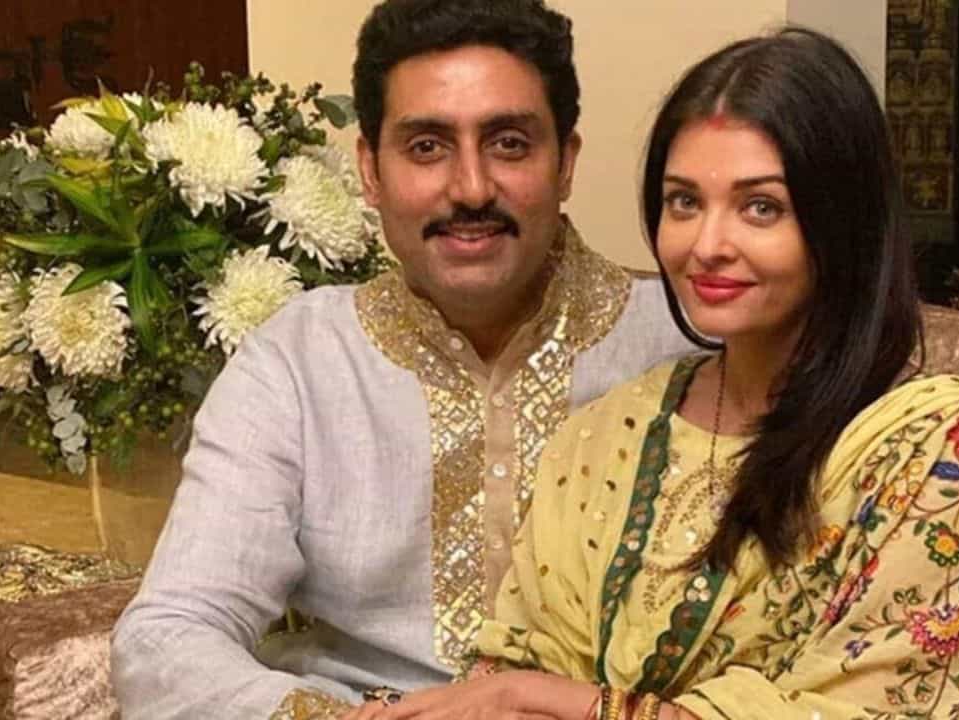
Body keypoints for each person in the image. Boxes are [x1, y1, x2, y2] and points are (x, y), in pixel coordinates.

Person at [349, 28, 959, 720]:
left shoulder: (942, 454)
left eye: (761, 207)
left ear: (844, 221)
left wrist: (559, 702)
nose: (707, 245)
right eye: (684, 201)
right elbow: (510, 676)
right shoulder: (605, 438)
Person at [110, 1, 692, 717]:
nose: (471, 188)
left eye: (510, 143)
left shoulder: (684, 345)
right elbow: (167, 634)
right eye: (426, 147)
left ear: (566, 162)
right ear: (371, 170)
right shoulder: (300, 360)